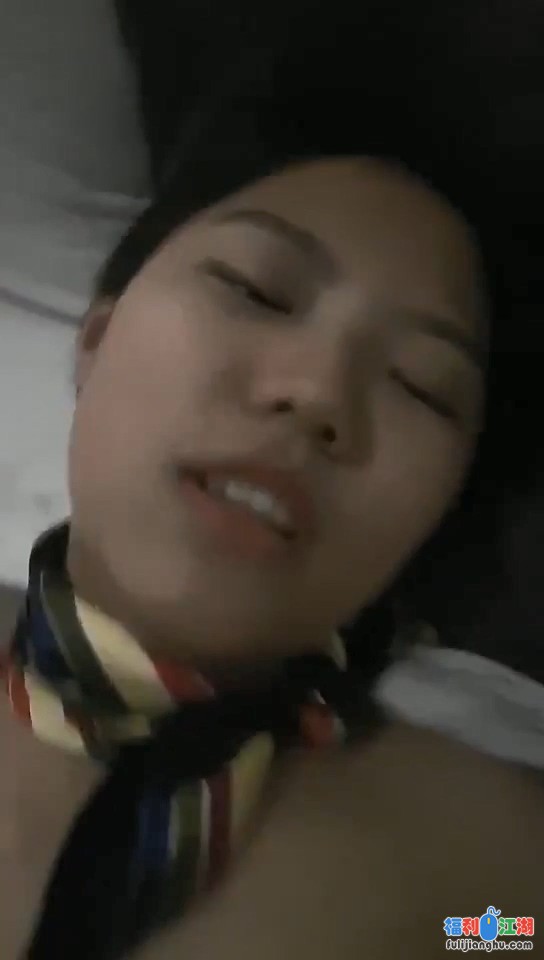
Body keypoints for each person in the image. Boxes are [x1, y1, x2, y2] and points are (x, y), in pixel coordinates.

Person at [2, 139, 543, 959]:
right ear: (99, 336)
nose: (319, 392)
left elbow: (508, 940)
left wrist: (480, 939)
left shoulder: (487, 875)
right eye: (256, 289)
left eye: (421, 386)